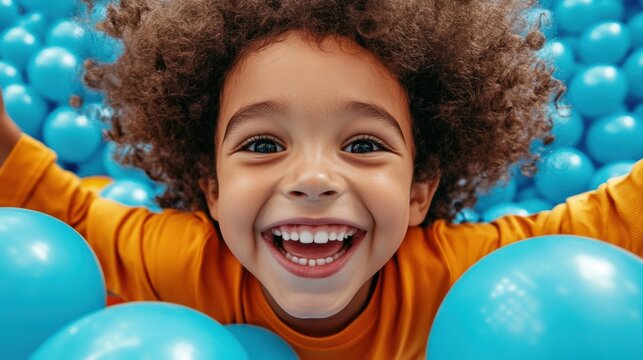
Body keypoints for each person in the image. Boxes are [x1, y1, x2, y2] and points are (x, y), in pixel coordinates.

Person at [0, 1, 641, 358]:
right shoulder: (187, 265)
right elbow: (60, 216)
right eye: (262, 144)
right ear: (213, 190)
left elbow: (614, 227)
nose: (312, 178)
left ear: (419, 190)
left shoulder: (466, 282)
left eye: (363, 144)